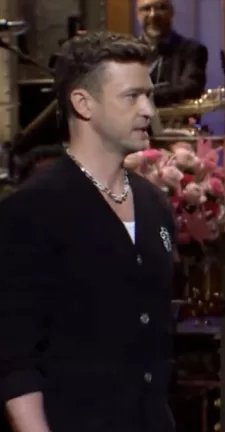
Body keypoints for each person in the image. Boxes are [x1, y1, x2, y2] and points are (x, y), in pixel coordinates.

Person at [0, 32, 176, 432]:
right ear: (83, 103)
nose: (148, 110)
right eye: (132, 97)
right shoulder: (32, 209)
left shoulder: (154, 204)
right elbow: (15, 356)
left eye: (149, 95)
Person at [136, 0, 207, 107]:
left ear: (171, 12)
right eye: (146, 9)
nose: (153, 15)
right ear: (138, 14)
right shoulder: (127, 53)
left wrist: (140, 96)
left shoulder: (193, 50)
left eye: (160, 7)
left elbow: (191, 89)